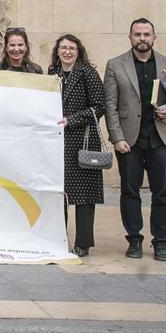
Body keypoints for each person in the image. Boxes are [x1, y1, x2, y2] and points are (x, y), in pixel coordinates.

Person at [103, 18, 166, 262]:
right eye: (137, 34)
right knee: (130, 193)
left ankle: (161, 242)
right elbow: (111, 106)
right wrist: (117, 138)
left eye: (146, 34)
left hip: (160, 140)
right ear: (130, 37)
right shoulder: (115, 65)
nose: (142, 38)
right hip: (129, 142)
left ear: (154, 37)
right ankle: (134, 239)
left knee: (162, 193)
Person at [48, 34, 106, 258]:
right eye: (63, 47)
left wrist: (72, 119)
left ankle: (83, 243)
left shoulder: (87, 73)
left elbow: (99, 106)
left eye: (71, 48)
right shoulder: (53, 73)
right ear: (57, 50)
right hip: (57, 141)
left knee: (84, 195)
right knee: (59, 193)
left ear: (78, 51)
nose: (67, 52)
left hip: (82, 140)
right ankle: (59, 237)